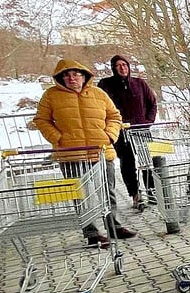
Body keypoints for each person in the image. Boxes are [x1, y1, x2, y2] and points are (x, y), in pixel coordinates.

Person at [34, 59, 137, 246]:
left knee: (108, 191)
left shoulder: (98, 93)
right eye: (66, 75)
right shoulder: (51, 96)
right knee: (81, 194)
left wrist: (110, 135)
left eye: (75, 74)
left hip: (101, 150)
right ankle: (91, 233)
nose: (71, 78)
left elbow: (114, 116)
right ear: (60, 78)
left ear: (84, 76)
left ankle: (113, 225)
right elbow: (41, 120)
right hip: (71, 154)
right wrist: (58, 138)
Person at [97, 55, 158, 210]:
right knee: (128, 164)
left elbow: (152, 103)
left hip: (141, 130)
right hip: (121, 132)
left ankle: (152, 192)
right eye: (118, 65)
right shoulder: (105, 85)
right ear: (113, 68)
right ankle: (135, 194)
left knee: (146, 162)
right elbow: (99, 108)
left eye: (125, 65)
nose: (122, 68)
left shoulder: (139, 83)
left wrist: (148, 122)